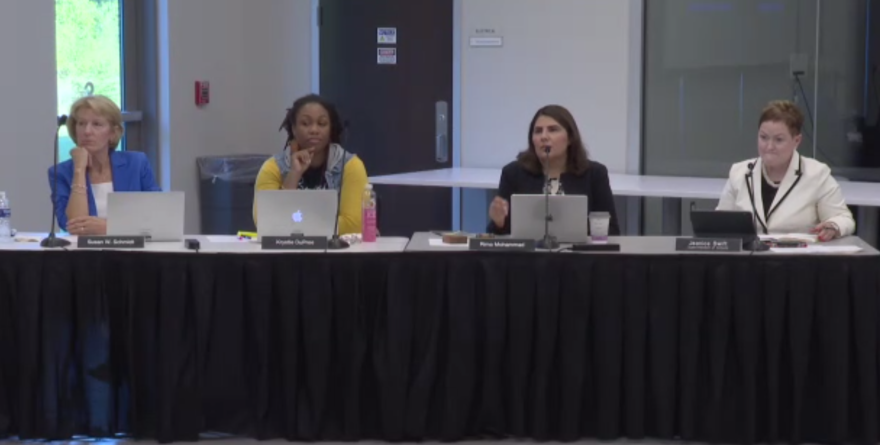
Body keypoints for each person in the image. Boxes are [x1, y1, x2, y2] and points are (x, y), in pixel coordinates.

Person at [717, 100, 855, 241]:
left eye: (779, 140)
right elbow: (719, 223)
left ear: (796, 141)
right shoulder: (739, 172)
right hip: (749, 260)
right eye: (763, 137)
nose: (769, 146)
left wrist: (833, 226)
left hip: (798, 260)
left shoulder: (817, 174)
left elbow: (844, 219)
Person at [488, 104, 620, 235]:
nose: (544, 137)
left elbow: (612, 231)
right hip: (529, 254)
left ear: (570, 138)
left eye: (553, 130)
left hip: (578, 254)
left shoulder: (595, 174)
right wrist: (499, 222)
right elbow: (497, 234)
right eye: (538, 131)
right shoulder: (513, 173)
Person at [253, 94, 368, 235]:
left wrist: (293, 227)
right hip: (286, 253)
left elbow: (353, 225)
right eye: (305, 123)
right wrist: (293, 175)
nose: (314, 130)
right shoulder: (272, 167)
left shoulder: (350, 166)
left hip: (336, 254)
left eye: (322, 124)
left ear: (331, 129)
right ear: (294, 129)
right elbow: (264, 223)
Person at [48, 95, 161, 236]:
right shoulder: (61, 172)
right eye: (81, 124)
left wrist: (109, 228)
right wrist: (79, 170)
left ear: (113, 133)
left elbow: (157, 217)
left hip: (133, 253)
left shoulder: (136, 163)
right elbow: (74, 226)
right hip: (84, 255)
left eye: (97, 124)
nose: (87, 131)